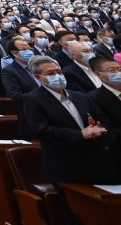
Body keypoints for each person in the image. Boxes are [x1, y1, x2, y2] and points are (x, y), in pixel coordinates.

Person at [23, 55, 117, 185]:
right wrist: (80, 134)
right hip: (65, 163)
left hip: (96, 160)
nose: (57, 76)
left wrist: (100, 130)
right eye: (50, 73)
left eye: (59, 72)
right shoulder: (33, 99)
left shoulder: (81, 97)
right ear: (38, 77)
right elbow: (40, 130)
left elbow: (103, 120)